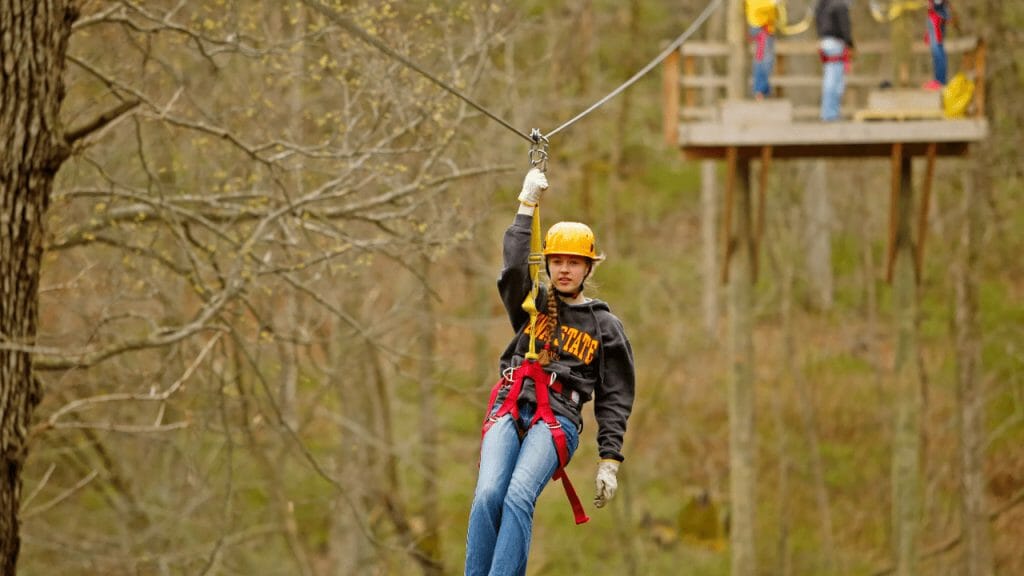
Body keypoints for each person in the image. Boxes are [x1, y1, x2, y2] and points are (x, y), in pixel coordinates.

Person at [464, 168, 636, 576]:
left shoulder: (604, 326)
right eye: (556, 261)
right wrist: (525, 208)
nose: (563, 270)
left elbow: (615, 396)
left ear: (587, 269)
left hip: (558, 419)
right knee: (489, 493)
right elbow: (511, 271)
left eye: (573, 263)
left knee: (519, 494)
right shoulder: (533, 305)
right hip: (510, 406)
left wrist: (609, 458)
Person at [814, 0, 855, 121]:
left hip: (825, 41)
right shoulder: (841, 5)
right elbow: (845, 26)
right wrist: (850, 44)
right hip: (836, 42)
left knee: (829, 77)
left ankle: (828, 112)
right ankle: (831, 113)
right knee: (835, 80)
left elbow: (817, 21)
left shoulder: (822, 4)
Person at [746, 0, 779, 100]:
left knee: (768, 59)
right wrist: (771, 3)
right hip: (760, 27)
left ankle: (763, 89)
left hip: (767, 26)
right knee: (763, 58)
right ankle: (759, 90)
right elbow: (756, 5)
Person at [923, 0, 951, 90]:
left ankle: (940, 81)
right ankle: (938, 80)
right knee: (937, 50)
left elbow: (938, 4)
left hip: (937, 18)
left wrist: (933, 4)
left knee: (937, 50)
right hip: (936, 16)